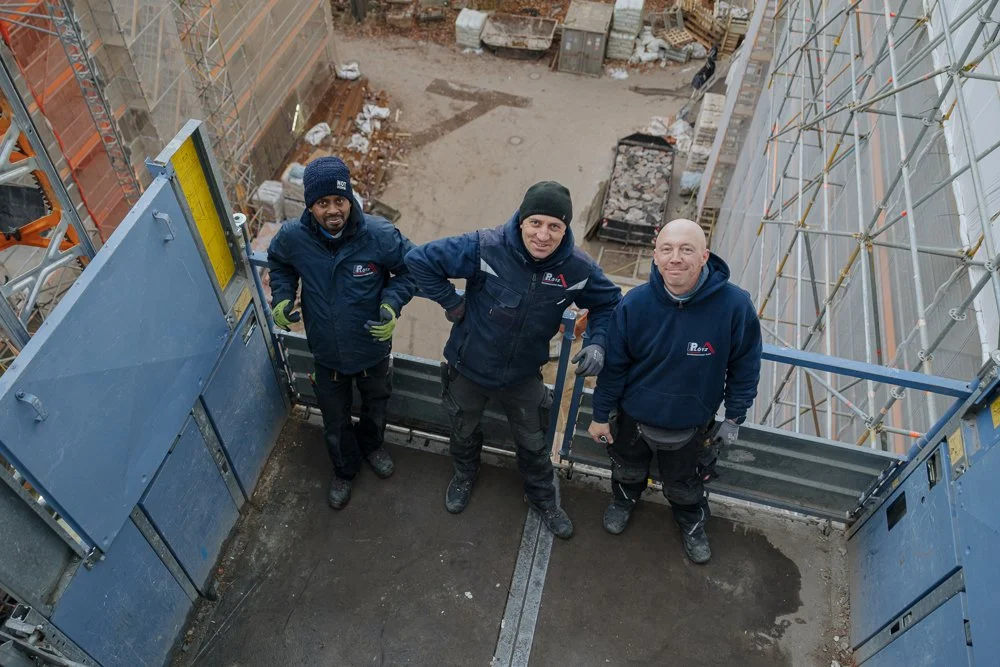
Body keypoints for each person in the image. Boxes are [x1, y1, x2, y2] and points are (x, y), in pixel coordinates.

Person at [405, 182, 622, 539]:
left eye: (555, 226)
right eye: (535, 222)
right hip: (468, 367)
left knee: (534, 443)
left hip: (523, 376)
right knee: (462, 429)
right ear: (521, 220)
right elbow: (419, 260)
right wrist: (451, 301)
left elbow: (610, 303)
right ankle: (463, 476)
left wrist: (599, 343)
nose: (543, 234)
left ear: (565, 230)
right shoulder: (484, 247)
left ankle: (543, 499)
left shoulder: (577, 268)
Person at [588, 218, 761, 563]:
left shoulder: (734, 307)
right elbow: (616, 366)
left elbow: (745, 364)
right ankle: (624, 500)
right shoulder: (635, 304)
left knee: (684, 485)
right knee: (627, 469)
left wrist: (735, 417)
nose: (675, 258)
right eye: (667, 249)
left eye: (686, 249)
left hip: (691, 425)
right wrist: (600, 414)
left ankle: (691, 522)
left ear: (704, 256)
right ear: (655, 256)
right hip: (634, 419)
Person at [267, 156, 417, 509]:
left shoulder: (379, 236)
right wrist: (283, 296)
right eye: (323, 203)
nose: (333, 210)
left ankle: (373, 446)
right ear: (310, 206)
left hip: (372, 348)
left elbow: (412, 270)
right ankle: (345, 469)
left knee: (376, 405)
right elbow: (279, 263)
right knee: (334, 420)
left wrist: (392, 304)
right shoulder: (293, 238)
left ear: (350, 199)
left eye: (339, 200)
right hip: (327, 353)